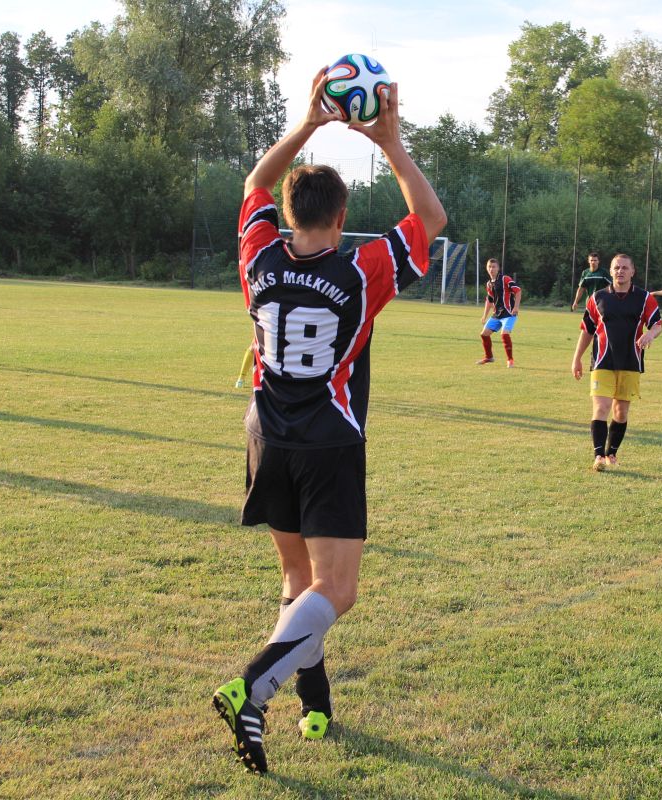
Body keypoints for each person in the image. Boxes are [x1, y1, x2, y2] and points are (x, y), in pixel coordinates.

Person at [211, 73, 446, 775]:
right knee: (336, 590)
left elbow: (255, 179)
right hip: (329, 441)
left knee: (298, 580)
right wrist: (390, 141)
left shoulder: (258, 256)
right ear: (342, 218)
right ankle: (253, 686)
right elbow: (430, 218)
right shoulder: (360, 271)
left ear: (286, 211)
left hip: (265, 436)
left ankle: (313, 702)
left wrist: (309, 122)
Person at [571, 254, 662, 471]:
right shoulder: (597, 298)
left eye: (624, 268)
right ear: (610, 271)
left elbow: (658, 324)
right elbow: (587, 331)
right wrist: (576, 359)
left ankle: (611, 453)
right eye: (616, 268)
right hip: (602, 360)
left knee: (620, 412)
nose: (620, 271)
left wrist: (650, 334)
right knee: (601, 408)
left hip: (631, 361)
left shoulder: (645, 298)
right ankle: (598, 456)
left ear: (633, 271)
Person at [476, 258, 521, 367]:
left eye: (494, 267)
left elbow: (518, 291)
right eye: (489, 267)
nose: (491, 269)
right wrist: (484, 315)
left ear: (498, 268)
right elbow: (489, 300)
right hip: (497, 314)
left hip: (509, 313)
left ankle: (510, 360)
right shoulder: (489, 284)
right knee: (484, 334)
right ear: (487, 268)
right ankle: (489, 357)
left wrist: (516, 307)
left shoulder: (505, 279)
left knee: (504, 334)